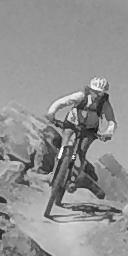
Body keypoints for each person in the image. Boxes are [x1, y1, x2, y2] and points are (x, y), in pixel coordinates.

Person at [41, 77, 116, 214]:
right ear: (90, 89)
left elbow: (111, 121)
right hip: (72, 124)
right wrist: (51, 114)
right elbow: (61, 102)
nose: (97, 95)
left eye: (100, 93)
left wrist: (107, 133)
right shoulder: (81, 96)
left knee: (81, 153)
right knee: (64, 147)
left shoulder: (104, 104)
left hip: (90, 130)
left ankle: (73, 181)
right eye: (95, 91)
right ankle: (55, 172)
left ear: (104, 94)